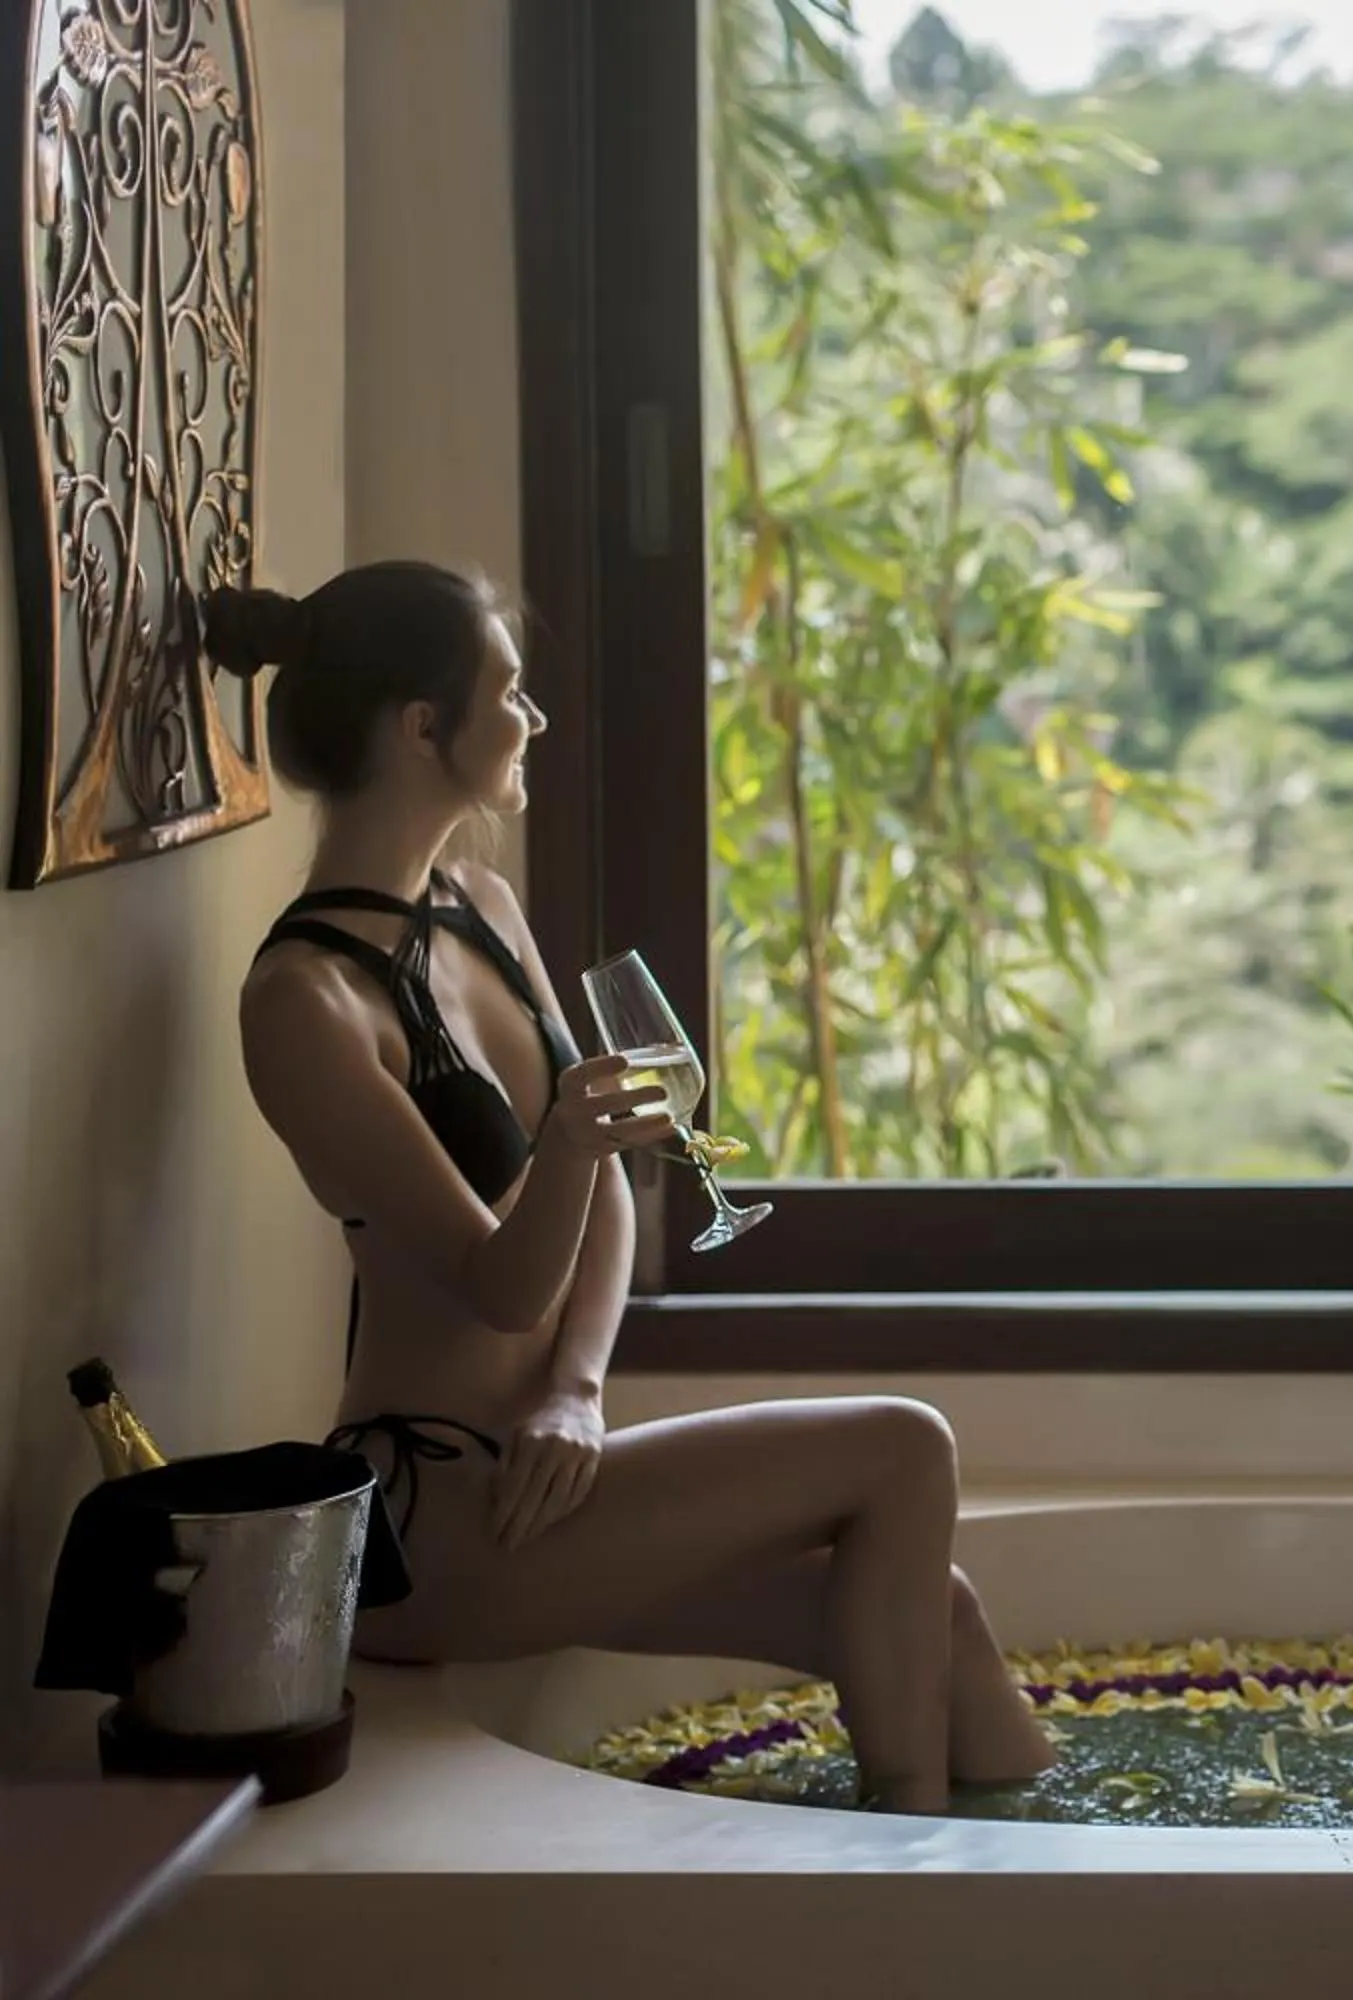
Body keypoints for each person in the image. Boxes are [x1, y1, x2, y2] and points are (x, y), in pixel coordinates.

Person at [213, 562, 1054, 1814]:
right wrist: (562, 1146)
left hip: (550, 1469)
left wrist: (579, 1388)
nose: (534, 717)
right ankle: (908, 1868)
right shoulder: (304, 1000)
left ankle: (1041, 1866)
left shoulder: (480, 904)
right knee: (903, 1446)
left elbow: (606, 1193)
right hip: (437, 1521)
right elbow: (503, 1284)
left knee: (939, 1611)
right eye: (511, 689)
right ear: (423, 727)